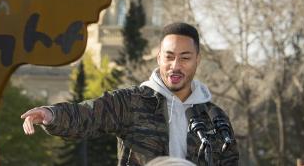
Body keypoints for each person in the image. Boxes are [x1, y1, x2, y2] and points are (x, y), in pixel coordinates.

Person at [21, 22, 239, 165]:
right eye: (169, 56)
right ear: (159, 58)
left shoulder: (214, 118)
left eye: (185, 58)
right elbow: (88, 115)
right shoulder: (133, 103)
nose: (175, 66)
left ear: (197, 60)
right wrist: (51, 115)